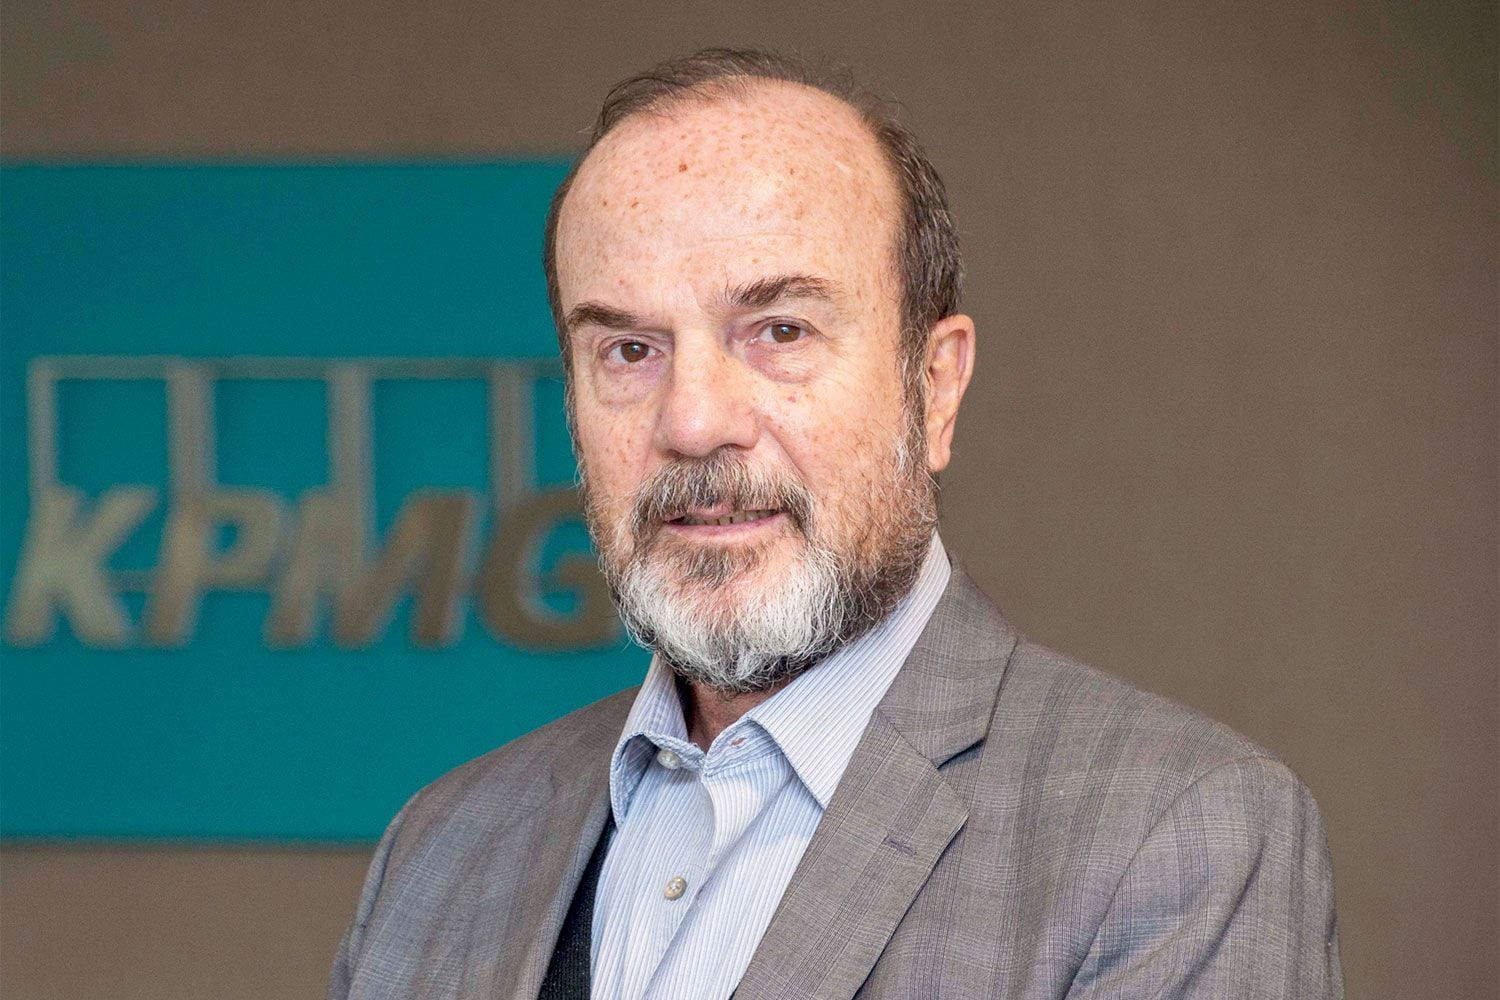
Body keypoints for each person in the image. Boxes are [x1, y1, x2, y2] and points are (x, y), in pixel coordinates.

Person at [328, 49, 1342, 1000]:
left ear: (934, 386)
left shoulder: (1173, 836)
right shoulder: (440, 851)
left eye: (780, 330)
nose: (694, 422)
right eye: (630, 350)